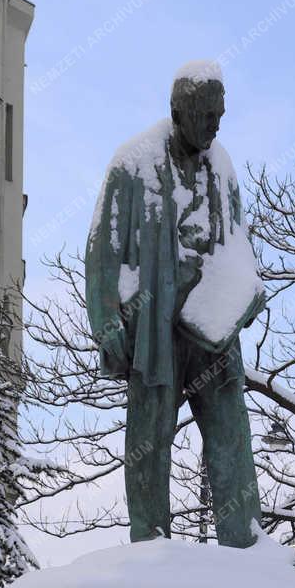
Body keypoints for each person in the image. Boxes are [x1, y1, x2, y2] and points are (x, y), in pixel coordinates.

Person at [85, 61, 264, 547]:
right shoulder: (133, 163)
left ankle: (246, 540)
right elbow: (103, 249)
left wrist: (248, 294)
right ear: (177, 111)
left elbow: (239, 245)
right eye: (205, 115)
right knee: (150, 440)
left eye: (219, 115)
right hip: (156, 328)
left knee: (231, 432)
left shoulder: (222, 167)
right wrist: (106, 324)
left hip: (213, 329)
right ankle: (151, 544)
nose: (214, 125)